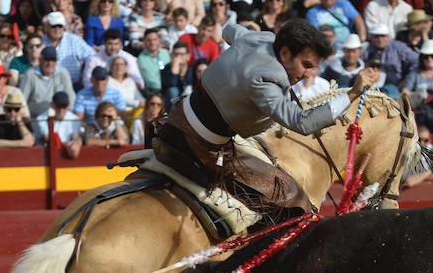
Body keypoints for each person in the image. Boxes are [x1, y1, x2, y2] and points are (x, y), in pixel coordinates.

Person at [153, 18, 377, 216]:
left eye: (313, 67)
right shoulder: (266, 78)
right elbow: (302, 122)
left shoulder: (263, 38)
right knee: (294, 202)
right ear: (285, 53)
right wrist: (353, 93)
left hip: (178, 115)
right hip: (200, 146)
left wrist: (246, 39)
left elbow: (229, 30)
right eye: (305, 65)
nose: (309, 74)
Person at [34, 91, 82, 158]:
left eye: (64, 107)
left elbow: (76, 137)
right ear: (52, 105)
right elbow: (48, 138)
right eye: (58, 107)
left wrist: (76, 144)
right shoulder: (41, 119)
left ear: (68, 106)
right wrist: (68, 145)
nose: (61, 111)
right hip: (45, 157)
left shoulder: (74, 119)